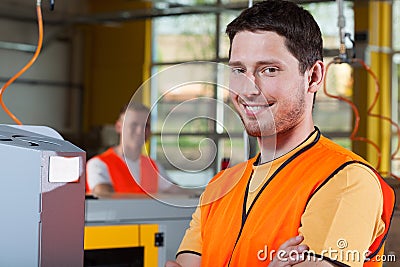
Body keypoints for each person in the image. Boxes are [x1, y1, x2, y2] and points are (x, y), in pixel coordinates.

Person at [166, 1, 395, 266]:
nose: (249, 89)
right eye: (239, 70)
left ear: (313, 76)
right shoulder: (220, 187)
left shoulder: (345, 180)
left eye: (269, 70)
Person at [86, 102, 178, 196]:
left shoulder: (154, 166)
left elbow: (180, 193)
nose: (140, 131)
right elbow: (102, 194)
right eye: (134, 125)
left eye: (146, 126)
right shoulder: (98, 164)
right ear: (118, 127)